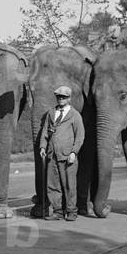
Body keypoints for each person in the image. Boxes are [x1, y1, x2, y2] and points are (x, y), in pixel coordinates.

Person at [37, 85, 85, 221]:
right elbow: (45, 131)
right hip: (52, 155)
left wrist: (74, 152)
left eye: (64, 97)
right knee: (52, 185)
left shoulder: (75, 115)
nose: (61, 99)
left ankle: (71, 211)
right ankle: (57, 211)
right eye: (59, 97)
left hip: (67, 155)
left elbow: (80, 136)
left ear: (69, 98)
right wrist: (42, 147)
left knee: (70, 185)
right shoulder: (51, 113)